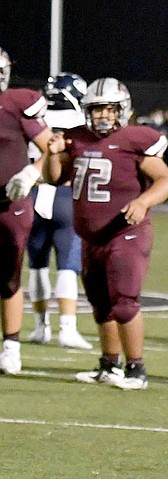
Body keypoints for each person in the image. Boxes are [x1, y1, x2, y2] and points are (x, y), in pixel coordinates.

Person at [39, 77, 168, 390]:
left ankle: (136, 369)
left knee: (124, 303)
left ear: (122, 110)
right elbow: (54, 179)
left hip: (125, 233)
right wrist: (50, 153)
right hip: (91, 237)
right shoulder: (77, 138)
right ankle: (109, 365)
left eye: (109, 110)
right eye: (97, 109)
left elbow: (166, 181)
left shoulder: (136, 138)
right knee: (101, 304)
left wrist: (143, 201)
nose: (103, 116)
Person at [25, 72, 93, 350]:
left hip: (33, 194)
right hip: (65, 195)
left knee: (37, 265)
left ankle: (41, 327)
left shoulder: (35, 121)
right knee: (67, 266)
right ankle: (67, 327)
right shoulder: (78, 124)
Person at [0, 47, 55, 375]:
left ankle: (11, 346)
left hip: (11, 203)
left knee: (8, 277)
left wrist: (33, 171)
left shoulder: (17, 103)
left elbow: (53, 146)